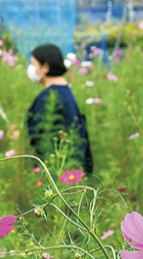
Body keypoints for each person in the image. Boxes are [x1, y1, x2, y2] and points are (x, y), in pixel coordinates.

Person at [25, 44, 93, 174]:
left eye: (33, 64)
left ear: (45, 67)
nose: (31, 69)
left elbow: (39, 137)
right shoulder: (66, 92)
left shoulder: (49, 97)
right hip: (70, 166)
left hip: (56, 170)